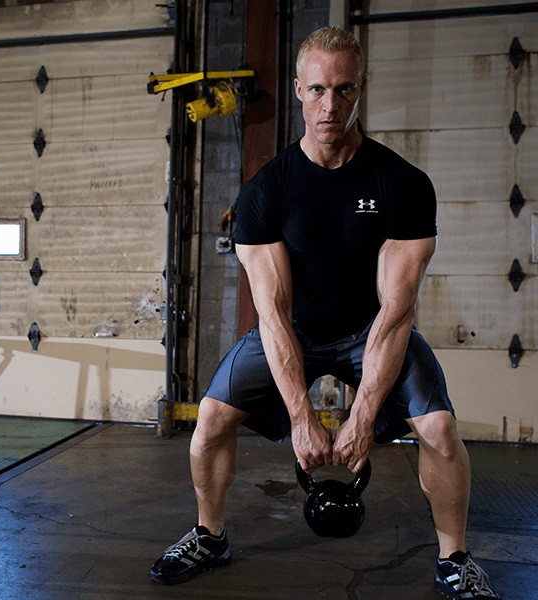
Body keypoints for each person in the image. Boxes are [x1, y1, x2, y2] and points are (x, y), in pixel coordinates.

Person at [149, 26, 501, 600]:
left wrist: (361, 417)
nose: (329, 105)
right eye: (316, 89)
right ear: (297, 90)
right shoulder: (266, 191)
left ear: (361, 88)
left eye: (343, 90)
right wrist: (300, 416)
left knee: (439, 428)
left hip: (371, 329)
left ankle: (454, 559)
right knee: (210, 420)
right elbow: (272, 312)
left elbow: (396, 312)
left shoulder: (403, 184)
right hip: (294, 329)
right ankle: (210, 537)